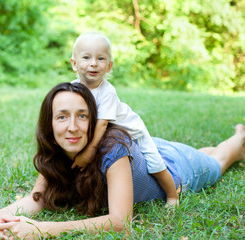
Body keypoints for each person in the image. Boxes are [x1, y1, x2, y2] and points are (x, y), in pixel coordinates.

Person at [0, 82, 245, 239]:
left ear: (94, 120)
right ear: (49, 124)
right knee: (205, 153)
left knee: (220, 161)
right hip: (147, 151)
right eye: (62, 116)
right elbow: (36, 199)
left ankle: (238, 140)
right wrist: (0, 215)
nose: (72, 127)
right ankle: (208, 149)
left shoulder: (111, 149)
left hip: (176, 167)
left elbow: (120, 222)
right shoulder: (56, 152)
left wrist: (43, 230)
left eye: (82, 116)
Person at [70, 31, 179, 207]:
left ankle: (173, 195)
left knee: (155, 163)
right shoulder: (73, 88)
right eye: (86, 58)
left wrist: (89, 152)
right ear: (74, 64)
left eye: (100, 59)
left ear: (109, 66)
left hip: (133, 131)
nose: (93, 64)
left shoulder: (107, 92)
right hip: (109, 133)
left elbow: (102, 124)